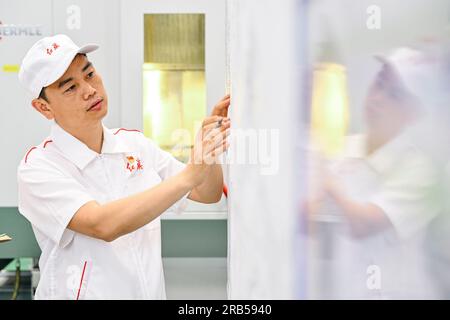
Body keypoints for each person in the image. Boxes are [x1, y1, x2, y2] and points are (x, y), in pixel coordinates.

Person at [17, 34, 231, 299]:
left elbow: (207, 194)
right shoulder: (39, 167)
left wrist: (209, 150)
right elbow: (102, 225)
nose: (89, 90)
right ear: (43, 107)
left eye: (90, 74)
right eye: (70, 87)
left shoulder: (133, 144)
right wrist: (189, 175)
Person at [307, 47, 442, 299]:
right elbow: (310, 216)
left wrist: (326, 178)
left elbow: (363, 224)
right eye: (379, 84)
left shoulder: (421, 171)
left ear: (414, 113)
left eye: (394, 95)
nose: (378, 98)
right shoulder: (346, 148)